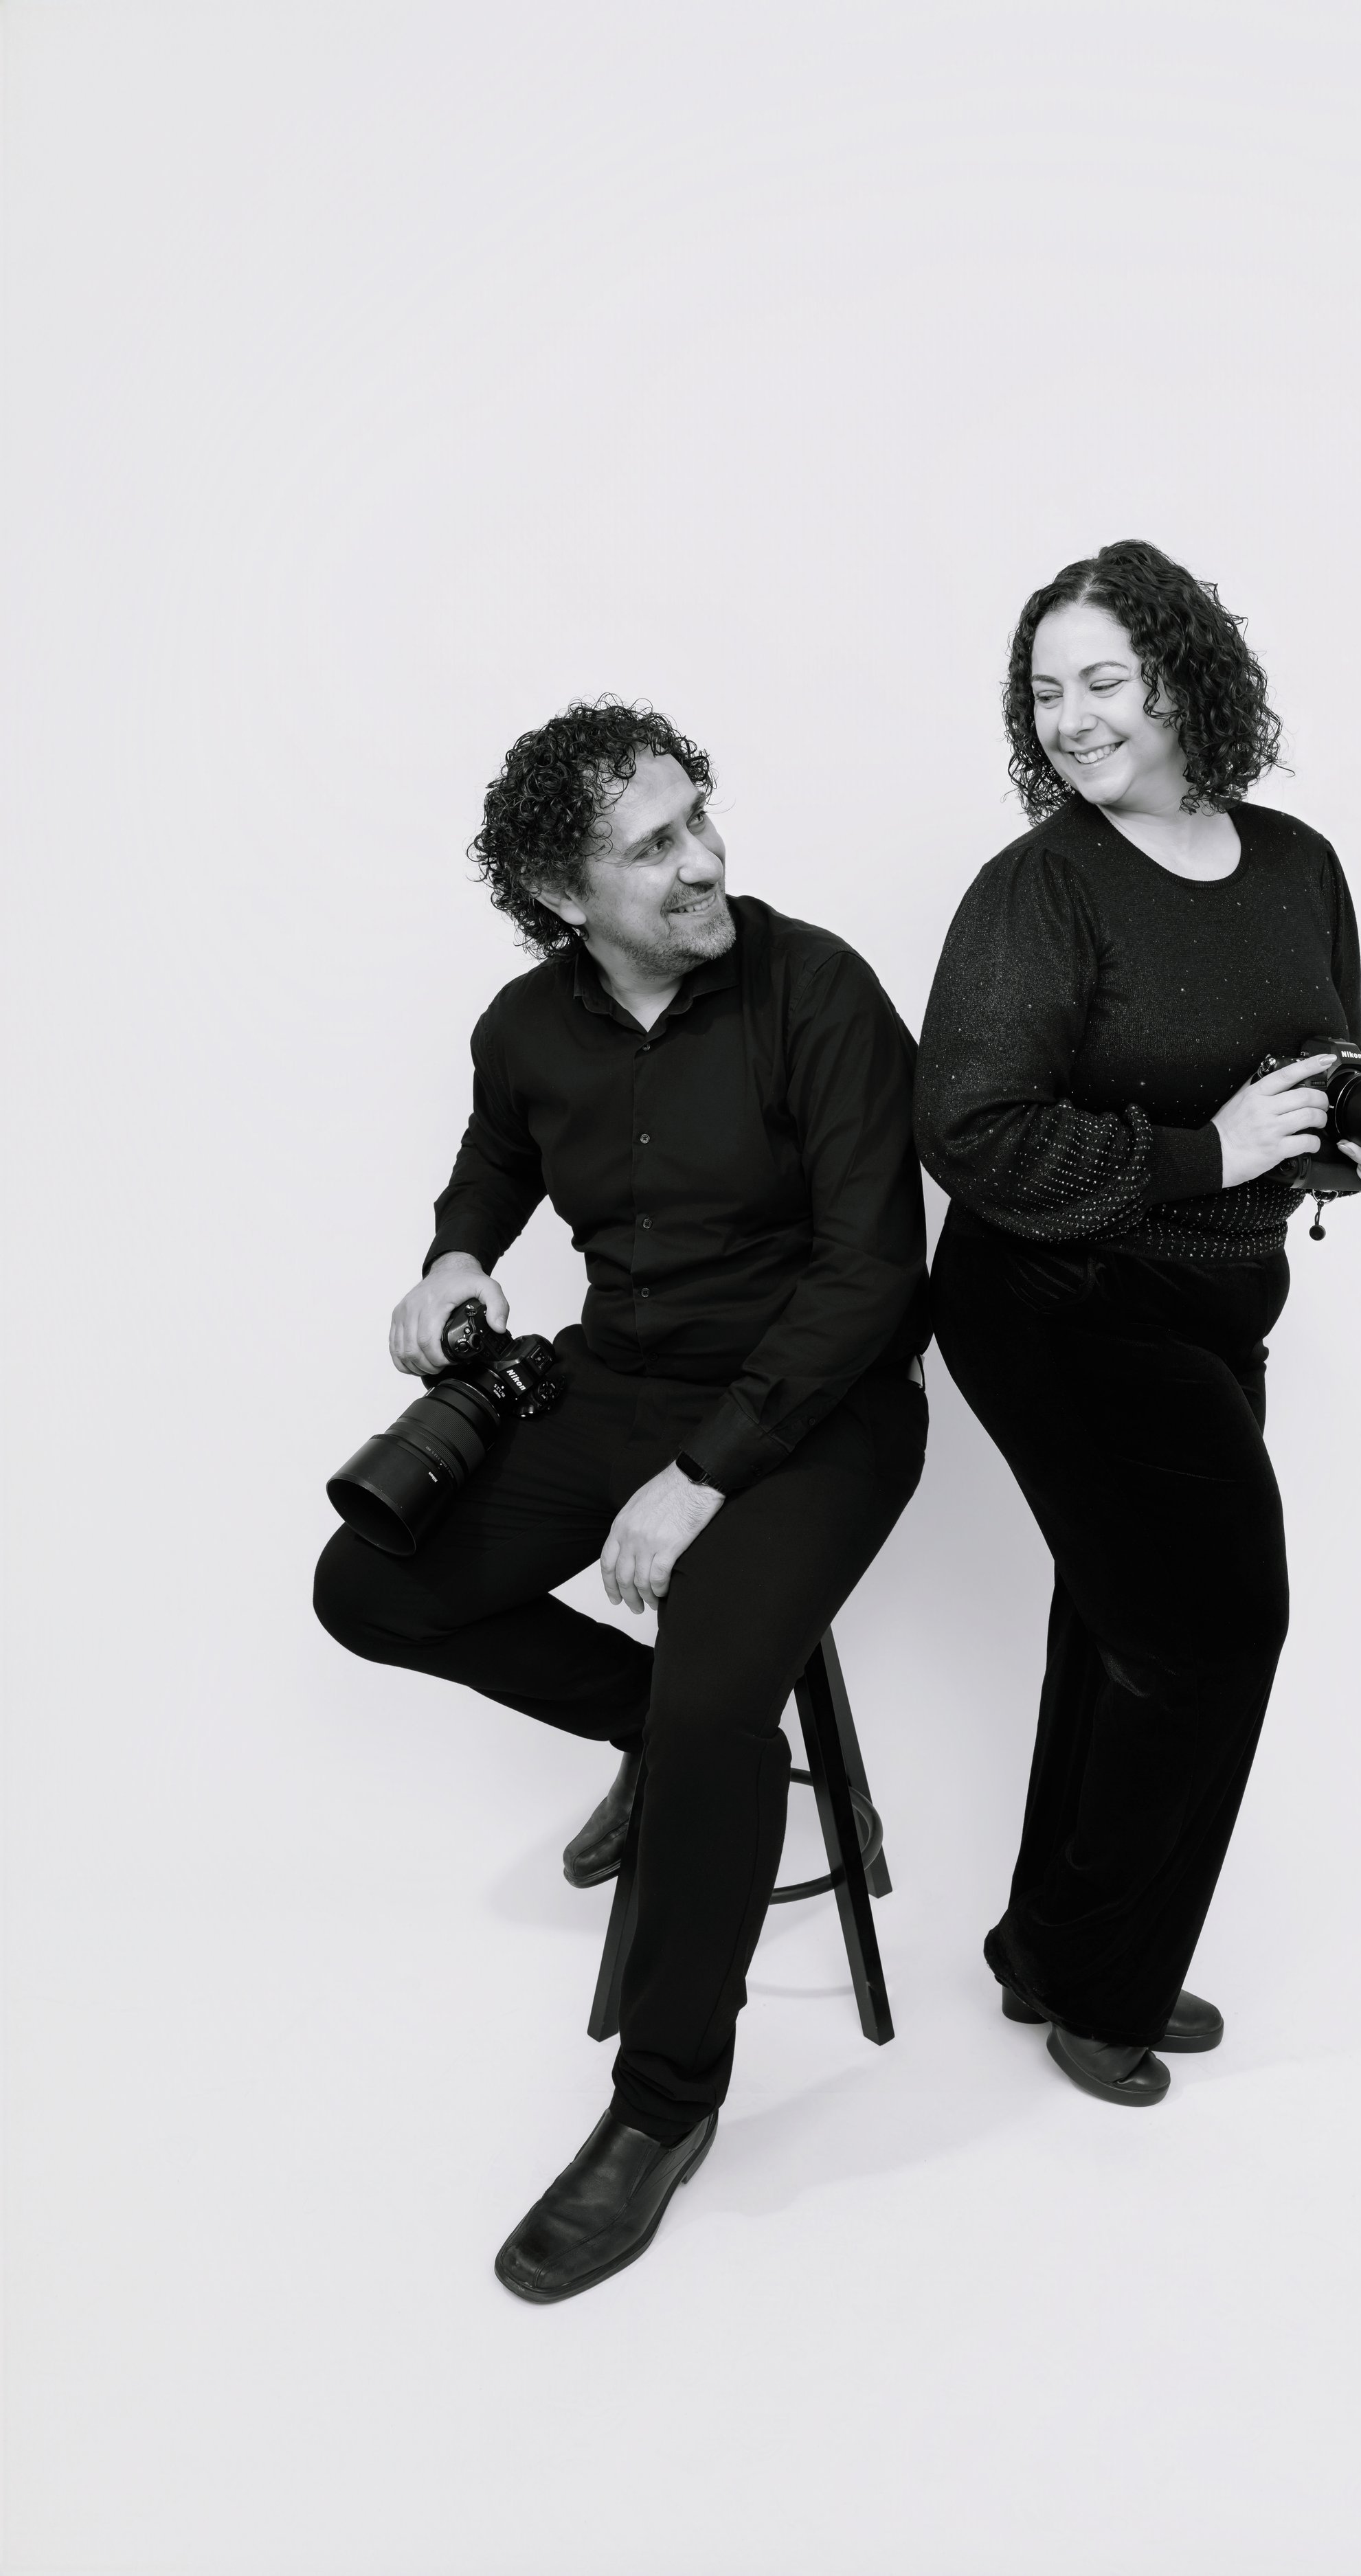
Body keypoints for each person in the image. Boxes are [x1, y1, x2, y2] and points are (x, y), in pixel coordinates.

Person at [315, 699, 929, 2297]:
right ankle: (652, 1740)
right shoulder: (525, 1027)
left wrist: (699, 1479)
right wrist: (456, 1257)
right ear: (559, 895)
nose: (702, 859)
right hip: (613, 1380)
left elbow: (871, 1272)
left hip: (815, 1407)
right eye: (652, 846)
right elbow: (493, 1161)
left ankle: (662, 2107)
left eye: (698, 817)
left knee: (720, 1702)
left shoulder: (818, 989)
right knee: (366, 1585)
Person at [914, 539, 1361, 2108]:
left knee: (1126, 1620)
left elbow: (1311, 1075)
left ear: (1184, 679)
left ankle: (1046, 1946)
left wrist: (1351, 1148)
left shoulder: (1297, 864)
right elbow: (970, 1131)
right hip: (1055, 1305)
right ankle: (1101, 1987)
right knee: (1212, 1633)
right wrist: (1210, 1154)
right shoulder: (1042, 888)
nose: (1068, 718)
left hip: (1218, 1299)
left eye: (1102, 681)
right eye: (1043, 690)